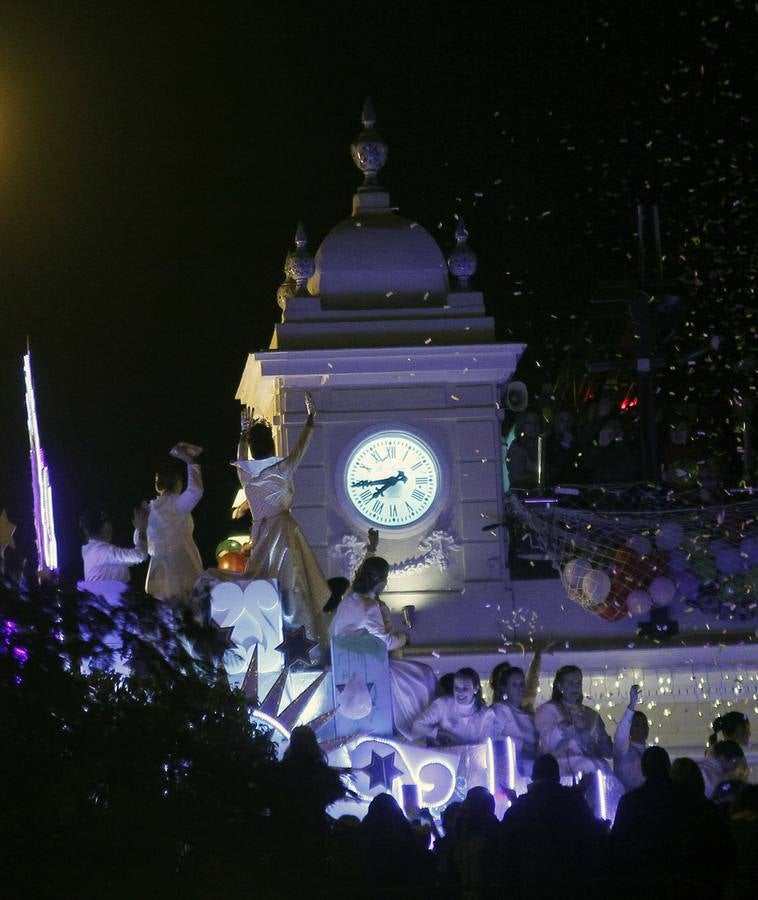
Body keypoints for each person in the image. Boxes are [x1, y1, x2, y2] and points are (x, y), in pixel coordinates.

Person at [234, 392, 329, 649]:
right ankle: (302, 638)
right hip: (284, 535)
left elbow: (241, 458)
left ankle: (268, 637)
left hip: (261, 535)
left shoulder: (247, 477)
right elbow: (302, 446)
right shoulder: (282, 469)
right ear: (273, 447)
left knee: (261, 582)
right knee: (293, 585)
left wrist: (243, 434)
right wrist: (311, 419)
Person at [329, 556, 437, 739]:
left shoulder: (349, 598)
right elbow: (385, 643)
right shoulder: (369, 606)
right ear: (381, 582)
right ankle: (418, 731)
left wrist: (371, 547)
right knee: (422, 676)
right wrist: (404, 638)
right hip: (368, 666)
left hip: (349, 662)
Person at [495, 753, 608, 896]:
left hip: (531, 885)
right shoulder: (574, 803)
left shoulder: (520, 808)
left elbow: (505, 850)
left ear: (533, 777)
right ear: (558, 777)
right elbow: (593, 838)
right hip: (570, 884)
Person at [145, 444, 204, 604]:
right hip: (181, 561)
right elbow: (195, 491)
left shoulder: (151, 508)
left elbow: (144, 541)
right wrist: (190, 462)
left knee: (164, 609)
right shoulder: (175, 504)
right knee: (187, 605)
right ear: (177, 481)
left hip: (158, 566)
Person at [534, 664, 613, 778]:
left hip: (593, 767)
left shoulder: (592, 715)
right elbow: (547, 743)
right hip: (559, 767)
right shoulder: (549, 710)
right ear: (560, 686)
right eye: (570, 683)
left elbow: (606, 749)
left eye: (578, 683)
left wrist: (604, 745)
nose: (575, 687)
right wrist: (565, 729)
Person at [412, 668, 493, 746]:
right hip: (446, 756)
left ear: (476, 689)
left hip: (474, 757)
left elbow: (484, 745)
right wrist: (439, 734)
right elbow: (417, 726)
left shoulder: (486, 714)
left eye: (465, 688)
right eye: (456, 688)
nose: (460, 692)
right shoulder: (443, 704)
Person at [489, 666, 539, 776]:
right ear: (505, 688)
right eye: (514, 685)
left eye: (521, 684)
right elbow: (493, 737)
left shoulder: (529, 715)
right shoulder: (500, 710)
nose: (519, 689)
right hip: (510, 768)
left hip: (532, 767)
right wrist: (522, 745)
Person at [80, 507, 148, 583]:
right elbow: (140, 555)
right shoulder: (101, 551)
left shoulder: (93, 551)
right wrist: (142, 529)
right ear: (106, 526)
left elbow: (133, 558)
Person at [613, 683, 649, 792]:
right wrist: (632, 705)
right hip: (629, 803)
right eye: (637, 725)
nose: (642, 728)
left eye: (644, 724)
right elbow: (620, 735)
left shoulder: (650, 754)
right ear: (630, 729)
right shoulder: (624, 750)